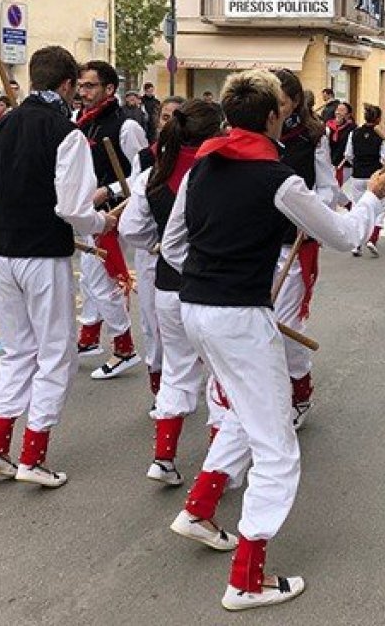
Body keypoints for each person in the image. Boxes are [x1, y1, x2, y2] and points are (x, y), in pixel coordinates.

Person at [162, 69, 385, 611]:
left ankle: (199, 508)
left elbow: (173, 245)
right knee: (279, 450)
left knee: (247, 411)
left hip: (197, 308)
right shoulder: (277, 179)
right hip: (237, 317)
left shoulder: (202, 169)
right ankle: (246, 579)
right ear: (272, 116)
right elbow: (346, 236)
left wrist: (214, 276)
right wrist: (374, 198)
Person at [0, 45, 115, 487]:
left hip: (1, 252)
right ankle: (32, 456)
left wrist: (3, 214)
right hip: (43, 255)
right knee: (54, 353)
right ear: (66, 85)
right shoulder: (67, 135)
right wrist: (102, 221)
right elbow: (72, 208)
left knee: (16, 350)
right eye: (76, 89)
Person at [119, 99, 223, 485]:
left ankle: (163, 459)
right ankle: (219, 469)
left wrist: (157, 246)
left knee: (178, 371)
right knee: (219, 377)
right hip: (212, 288)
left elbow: (130, 228)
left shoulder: (155, 175)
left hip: (168, 286)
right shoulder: (221, 172)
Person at [273, 68, 338, 430]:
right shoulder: (255, 133)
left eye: (281, 103)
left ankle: (300, 392)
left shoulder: (313, 137)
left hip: (294, 244)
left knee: (285, 325)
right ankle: (267, 393)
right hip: (254, 241)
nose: (275, 110)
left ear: (295, 101)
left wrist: (308, 214)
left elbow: (327, 188)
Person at [76, 60, 148, 379]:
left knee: (101, 278)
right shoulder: (80, 121)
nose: (83, 91)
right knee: (88, 278)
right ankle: (89, 339)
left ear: (109, 89)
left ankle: (124, 348)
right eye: (80, 85)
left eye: (90, 85)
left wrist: (109, 190)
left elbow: (145, 174)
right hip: (86, 211)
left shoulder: (126, 126)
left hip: (114, 214)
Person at [125, 95, 185, 399]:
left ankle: (184, 384)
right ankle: (161, 389)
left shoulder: (199, 161)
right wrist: (154, 242)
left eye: (176, 117)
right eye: (164, 116)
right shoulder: (146, 160)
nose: (169, 122)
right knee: (153, 324)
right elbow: (137, 211)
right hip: (152, 253)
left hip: (191, 256)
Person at [344, 104, 385, 257]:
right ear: (378, 119)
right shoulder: (381, 134)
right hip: (374, 175)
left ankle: (356, 245)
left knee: (357, 207)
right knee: (379, 208)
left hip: (357, 175)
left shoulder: (354, 133)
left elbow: (348, 154)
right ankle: (372, 239)